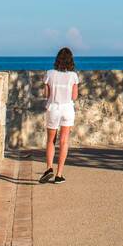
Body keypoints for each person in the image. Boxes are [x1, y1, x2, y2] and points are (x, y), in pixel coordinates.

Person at [41, 47, 79, 183]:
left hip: (53, 108)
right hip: (67, 109)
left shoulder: (49, 74)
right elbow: (74, 96)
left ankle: (49, 168)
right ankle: (59, 174)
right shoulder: (73, 76)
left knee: (51, 140)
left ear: (57, 60)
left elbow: (45, 94)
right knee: (64, 141)